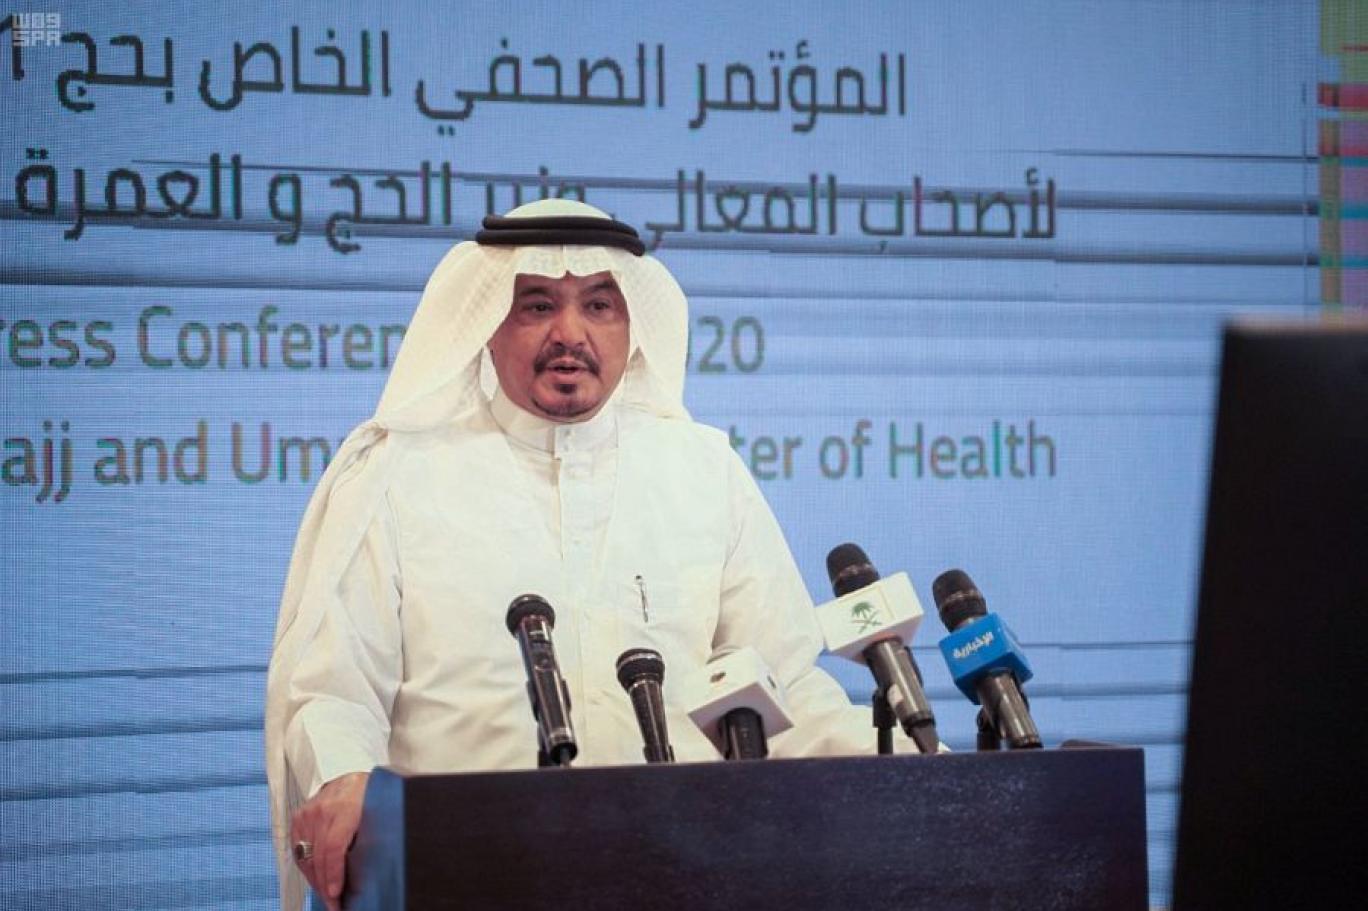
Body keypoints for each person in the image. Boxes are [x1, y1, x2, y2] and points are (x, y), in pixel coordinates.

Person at [264, 199, 913, 911]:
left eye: (599, 305)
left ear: (632, 326)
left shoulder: (702, 471)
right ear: (487, 322)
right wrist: (344, 777)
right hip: (465, 876)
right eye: (537, 305)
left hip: (687, 877)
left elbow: (783, 687)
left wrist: (923, 777)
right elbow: (334, 690)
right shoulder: (398, 475)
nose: (570, 334)